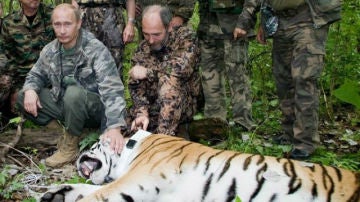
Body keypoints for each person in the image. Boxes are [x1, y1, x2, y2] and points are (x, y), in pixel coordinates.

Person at [16, 3, 127, 168]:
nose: (62, 30)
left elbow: (113, 90)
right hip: (67, 106)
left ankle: (69, 149)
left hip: (94, 110)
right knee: (22, 96)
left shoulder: (95, 49)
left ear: (78, 23)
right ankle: (64, 133)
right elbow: (35, 75)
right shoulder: (51, 50)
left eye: (67, 24)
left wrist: (115, 127)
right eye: (57, 24)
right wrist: (31, 89)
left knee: (73, 93)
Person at [234, 0, 341, 159]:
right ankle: (290, 133)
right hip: (281, 23)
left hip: (308, 20)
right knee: (283, 80)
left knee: (304, 78)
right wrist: (258, 22)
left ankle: (306, 142)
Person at [128, 5, 200, 136]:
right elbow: (136, 84)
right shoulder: (142, 49)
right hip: (153, 107)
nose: (150, 40)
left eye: (156, 34)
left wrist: (148, 72)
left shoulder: (186, 38)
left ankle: (163, 138)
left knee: (169, 81)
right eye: (145, 34)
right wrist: (141, 112)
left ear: (169, 27)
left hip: (181, 106)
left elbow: (180, 69)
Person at [197, 0, 256, 131]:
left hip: (234, 28)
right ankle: (215, 125)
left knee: (238, 78)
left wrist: (244, 22)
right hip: (208, 28)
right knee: (210, 78)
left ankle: (243, 124)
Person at [0, 0, 54, 125]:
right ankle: (6, 118)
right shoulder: (10, 22)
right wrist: (15, 89)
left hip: (49, 78)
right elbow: (7, 58)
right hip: (21, 78)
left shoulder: (53, 16)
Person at [72, 0, 135, 75]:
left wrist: (130, 24)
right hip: (85, 18)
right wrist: (73, 23)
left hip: (112, 17)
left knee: (114, 65)